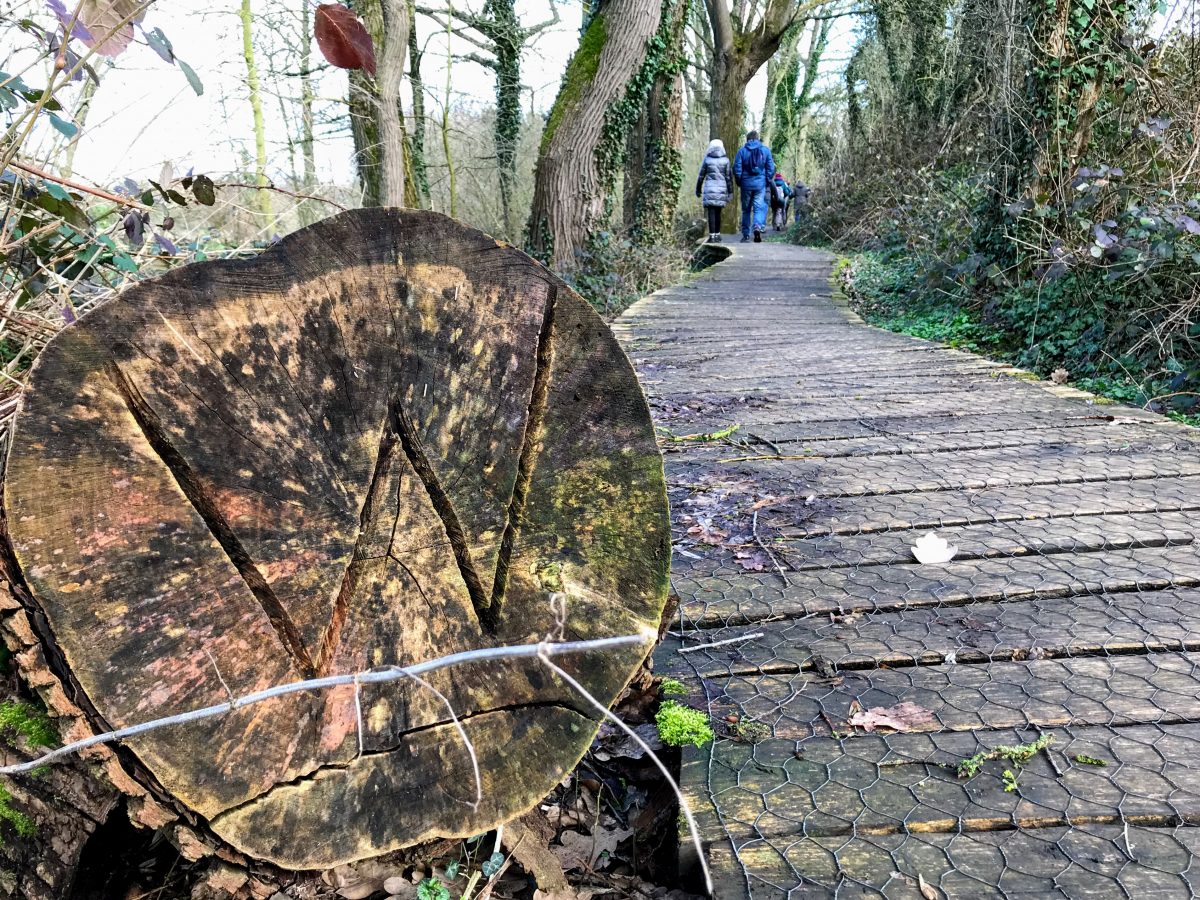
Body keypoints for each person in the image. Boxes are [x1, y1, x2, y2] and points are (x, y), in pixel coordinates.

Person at [733, 130, 776, 243]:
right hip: (760, 184)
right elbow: (771, 168)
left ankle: (746, 235)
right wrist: (767, 180)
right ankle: (757, 226)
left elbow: (737, 169)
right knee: (758, 207)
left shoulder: (742, 151)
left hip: (746, 184)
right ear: (758, 139)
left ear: (747, 139)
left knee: (746, 210)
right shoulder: (765, 150)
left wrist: (740, 181)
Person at [695, 138, 733, 243]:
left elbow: (701, 176)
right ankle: (717, 235)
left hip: (709, 189)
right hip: (721, 190)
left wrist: (698, 189)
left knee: (711, 213)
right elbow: (729, 178)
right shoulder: (726, 160)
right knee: (718, 213)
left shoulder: (707, 160)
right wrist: (730, 192)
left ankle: (712, 236)